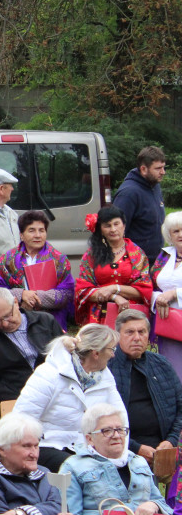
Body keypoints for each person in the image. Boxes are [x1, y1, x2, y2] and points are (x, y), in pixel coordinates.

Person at [14, 324, 126, 471]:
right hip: (47, 446)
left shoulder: (105, 377)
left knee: (132, 466)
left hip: (87, 448)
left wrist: (120, 457)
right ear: (96, 353)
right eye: (112, 349)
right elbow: (22, 419)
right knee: (85, 469)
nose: (113, 355)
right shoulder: (50, 373)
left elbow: (121, 418)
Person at [60, 404, 172, 515]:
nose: (116, 435)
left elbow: (165, 507)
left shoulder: (139, 462)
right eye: (107, 431)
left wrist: (153, 505)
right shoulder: (72, 467)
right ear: (89, 438)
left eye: (120, 429)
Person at [0, 287, 63, 420]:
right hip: (14, 402)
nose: (5, 323)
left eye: (8, 316)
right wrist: (26, 398)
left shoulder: (45, 321)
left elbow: (65, 361)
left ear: (15, 302)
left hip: (55, 394)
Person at [107, 309, 182, 461]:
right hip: (121, 446)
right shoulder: (107, 367)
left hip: (163, 445)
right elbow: (100, 418)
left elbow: (181, 405)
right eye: (130, 332)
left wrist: (171, 440)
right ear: (117, 336)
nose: (137, 338)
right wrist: (135, 447)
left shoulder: (162, 364)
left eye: (142, 332)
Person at [0, 210, 75, 330]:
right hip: (17, 318)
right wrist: (21, 295)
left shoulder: (59, 259)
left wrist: (36, 297)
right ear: (21, 235)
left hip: (52, 320)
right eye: (31, 230)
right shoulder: (7, 259)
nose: (38, 235)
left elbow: (66, 293)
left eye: (41, 230)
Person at [76, 205, 152, 325]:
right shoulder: (91, 255)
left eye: (116, 224)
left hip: (131, 314)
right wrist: (114, 297)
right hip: (99, 317)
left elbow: (144, 290)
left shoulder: (137, 254)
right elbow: (82, 290)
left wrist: (115, 288)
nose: (113, 229)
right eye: (107, 225)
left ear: (124, 225)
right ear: (100, 229)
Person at [112, 145, 167, 261]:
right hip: (136, 265)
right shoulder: (128, 194)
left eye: (163, 167)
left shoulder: (154, 186)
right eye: (158, 168)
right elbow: (115, 232)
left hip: (157, 260)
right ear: (143, 169)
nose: (163, 172)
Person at [149, 210, 182, 370]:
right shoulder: (164, 256)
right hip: (168, 321)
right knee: (171, 368)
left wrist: (175, 293)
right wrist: (158, 299)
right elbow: (151, 285)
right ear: (170, 235)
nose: (180, 234)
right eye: (176, 231)